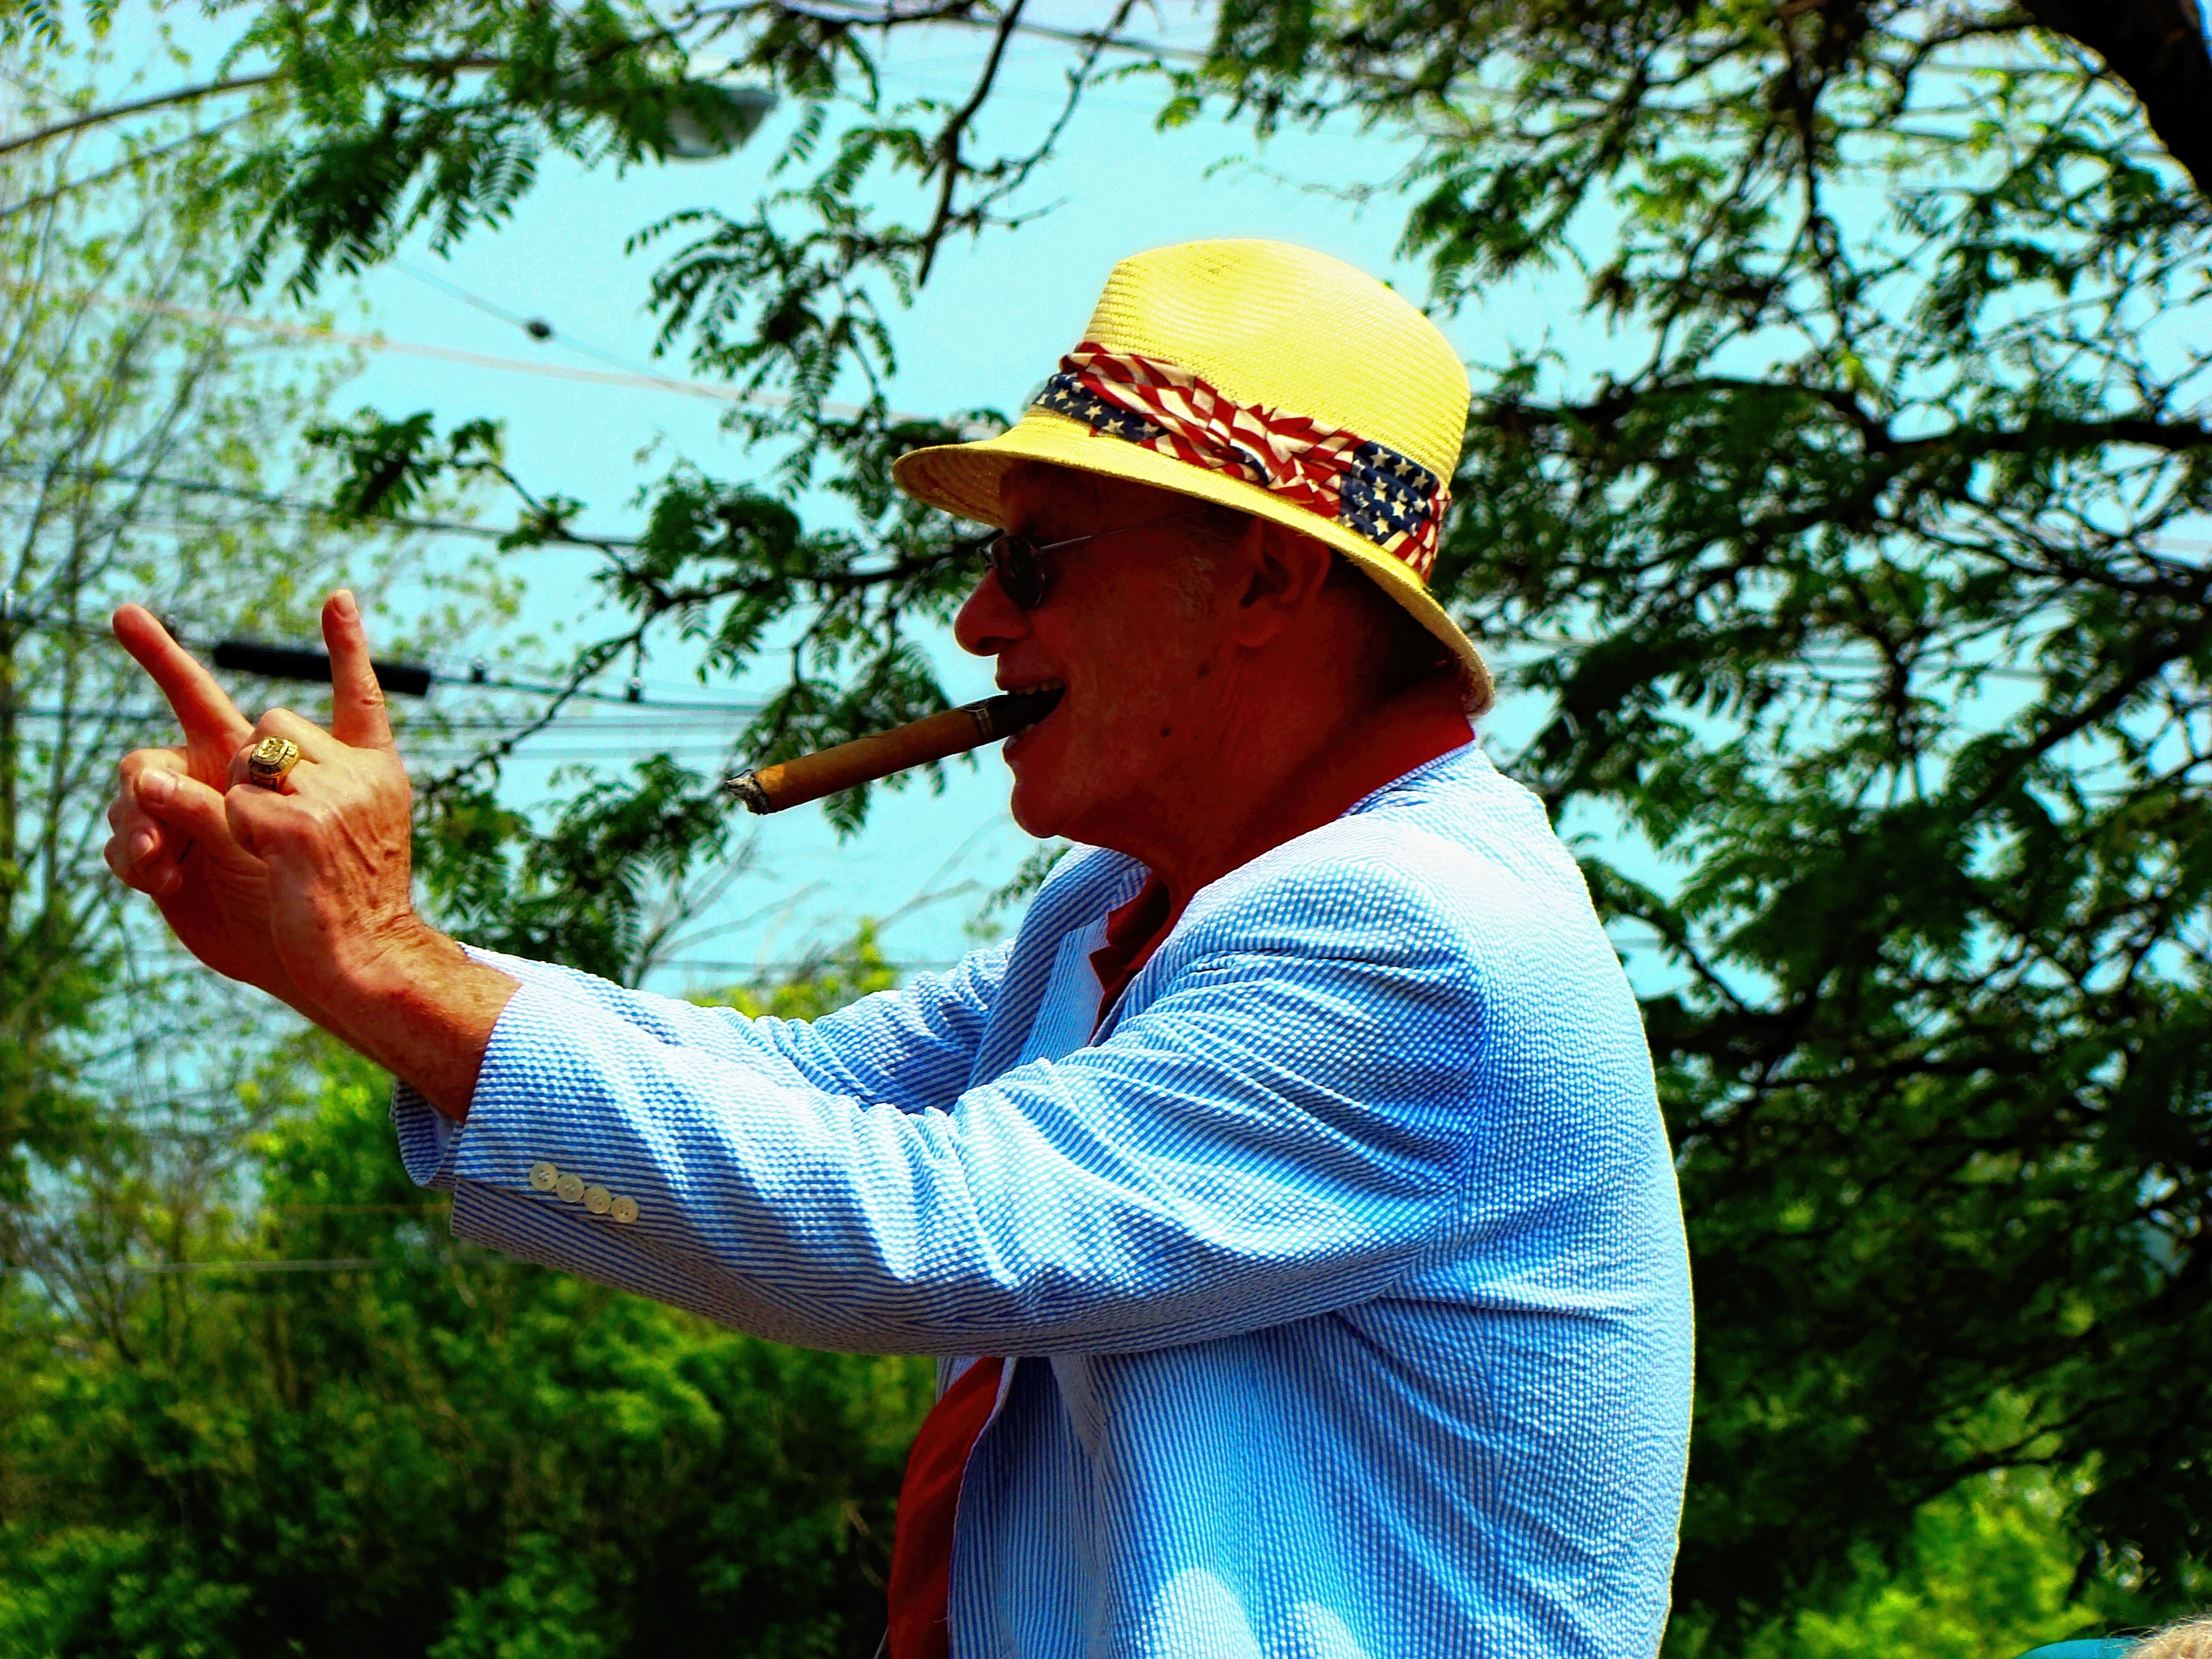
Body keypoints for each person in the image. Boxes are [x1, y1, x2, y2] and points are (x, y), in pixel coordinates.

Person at [106, 239, 1694, 1658]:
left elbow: (920, 1226)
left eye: (1039, 559)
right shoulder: (1121, 911)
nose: (980, 628)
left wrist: (386, 963)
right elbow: (793, 1088)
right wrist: (354, 962)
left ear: (1268, 578)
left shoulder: (1411, 938)